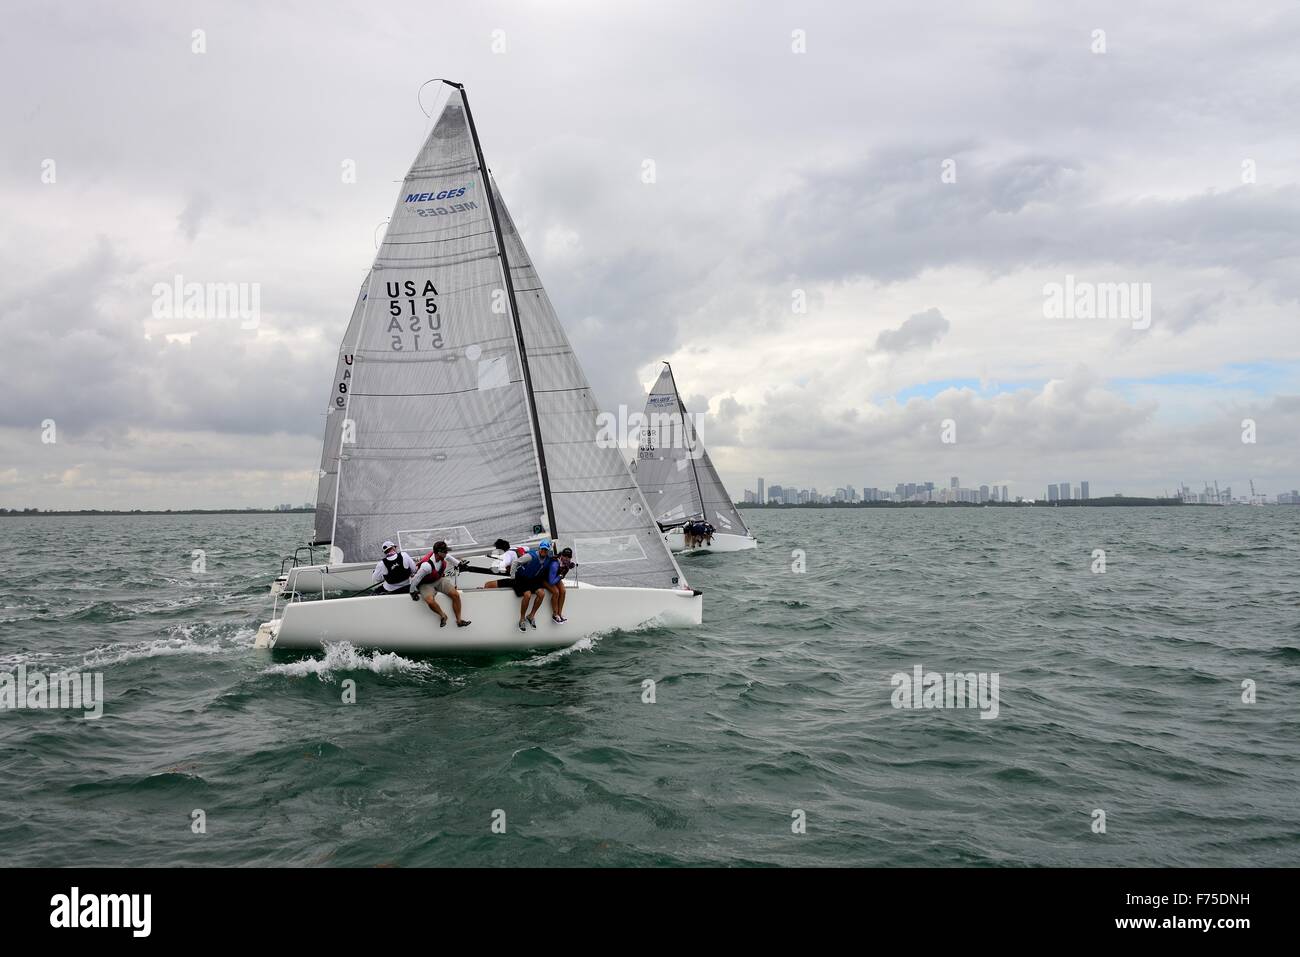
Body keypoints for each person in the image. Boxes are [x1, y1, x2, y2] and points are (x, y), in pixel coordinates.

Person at [409, 541, 471, 628]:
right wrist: (412, 592)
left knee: (455, 595)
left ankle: (459, 621)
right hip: (425, 584)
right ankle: (443, 616)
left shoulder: (443, 556)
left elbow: (450, 559)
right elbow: (416, 579)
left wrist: (460, 564)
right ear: (439, 553)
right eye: (445, 551)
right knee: (430, 601)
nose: (447, 553)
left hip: (438, 580)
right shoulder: (426, 566)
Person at [507, 539, 552, 631]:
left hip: (532, 579)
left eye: (546, 550)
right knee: (527, 595)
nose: (544, 551)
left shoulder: (548, 559)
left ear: (548, 550)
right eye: (542, 549)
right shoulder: (530, 556)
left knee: (542, 594)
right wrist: (512, 577)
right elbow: (515, 562)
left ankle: (531, 616)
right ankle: (522, 619)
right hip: (521, 578)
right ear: (539, 549)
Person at [545, 547, 577, 623]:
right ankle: (555, 614)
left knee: (563, 590)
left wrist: (566, 568)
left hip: (554, 576)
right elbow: (552, 582)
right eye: (565, 556)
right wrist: (561, 574)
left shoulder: (566, 563)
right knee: (556, 592)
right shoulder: (555, 564)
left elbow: (562, 574)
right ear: (561, 555)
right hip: (545, 578)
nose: (566, 558)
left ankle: (560, 613)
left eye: (568, 557)